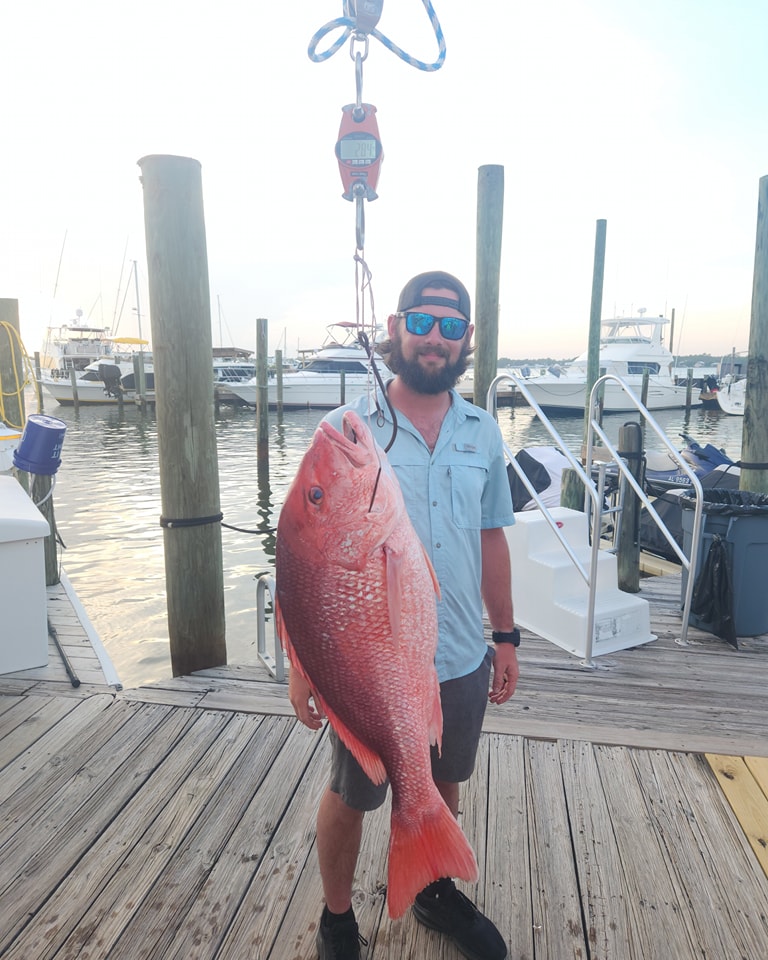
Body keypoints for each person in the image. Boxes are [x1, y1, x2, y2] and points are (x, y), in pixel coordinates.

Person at [288, 270, 519, 960]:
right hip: (367, 662)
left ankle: (431, 888)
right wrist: (304, 669)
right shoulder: (349, 428)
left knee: (440, 779)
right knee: (352, 791)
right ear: (396, 328)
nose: (433, 339)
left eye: (450, 327)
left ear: (466, 340)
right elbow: (305, 558)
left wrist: (504, 636)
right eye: (421, 322)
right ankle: (337, 918)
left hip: (455, 651)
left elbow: (492, 536)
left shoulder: (483, 431)